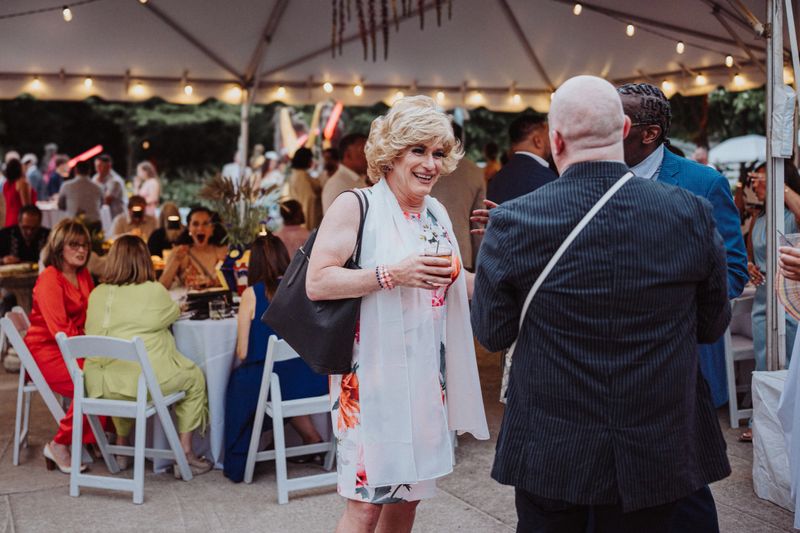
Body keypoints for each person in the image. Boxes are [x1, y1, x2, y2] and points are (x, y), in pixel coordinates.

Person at [471, 75, 731, 533]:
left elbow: (492, 332)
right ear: (625, 129)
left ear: (554, 139)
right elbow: (711, 324)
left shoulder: (512, 221)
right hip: (660, 439)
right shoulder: (689, 211)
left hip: (553, 444)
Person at [307, 95, 488, 533]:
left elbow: (457, 280)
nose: (431, 164)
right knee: (366, 505)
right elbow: (319, 281)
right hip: (370, 381)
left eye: (438, 154)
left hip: (426, 378)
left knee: (407, 501)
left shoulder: (437, 214)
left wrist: (517, 275)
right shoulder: (357, 205)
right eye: (419, 151)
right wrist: (391, 274)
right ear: (392, 153)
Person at [617, 83, 748, 533]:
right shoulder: (596, 173)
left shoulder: (701, 182)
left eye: (619, 120)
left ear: (649, 133)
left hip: (677, 356)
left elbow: (733, 270)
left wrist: (670, 311)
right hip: (611, 361)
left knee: (682, 481)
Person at [84, 235, 212, 475]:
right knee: (194, 377)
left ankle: (122, 449)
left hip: (97, 385)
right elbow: (172, 313)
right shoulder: (153, 291)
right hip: (138, 386)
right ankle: (185, 453)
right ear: (144, 260)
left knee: (121, 373)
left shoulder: (97, 293)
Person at [224, 234, 327, 482]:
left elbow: (243, 352)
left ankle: (239, 460)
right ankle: (313, 440)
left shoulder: (252, 293)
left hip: (274, 383)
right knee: (286, 374)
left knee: (236, 384)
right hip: (312, 380)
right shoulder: (303, 286)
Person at [26, 219, 102, 473]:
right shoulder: (50, 278)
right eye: (74, 245)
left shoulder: (83, 274)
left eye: (84, 245)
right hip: (46, 350)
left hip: (74, 345)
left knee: (110, 371)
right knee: (93, 382)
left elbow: (92, 314)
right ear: (59, 247)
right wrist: (92, 351)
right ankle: (59, 444)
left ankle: (92, 438)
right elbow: (59, 329)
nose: (82, 251)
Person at [738, 162, 800, 442]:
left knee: (791, 367)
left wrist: (777, 182)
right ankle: (762, 420)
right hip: (763, 304)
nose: (755, 185)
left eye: (759, 179)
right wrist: (751, 265)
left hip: (791, 300)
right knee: (764, 363)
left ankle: (790, 423)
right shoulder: (759, 219)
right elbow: (751, 253)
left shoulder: (791, 215)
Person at [430, 123, 486, 271]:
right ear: (461, 140)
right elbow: (477, 223)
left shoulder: (424, 166)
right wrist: (480, 262)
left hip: (425, 252)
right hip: (462, 253)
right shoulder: (475, 172)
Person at [486, 114, 557, 204]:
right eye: (549, 136)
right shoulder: (546, 179)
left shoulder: (497, 178)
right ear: (538, 141)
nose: (552, 141)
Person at [159, 206, 227, 290]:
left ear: (212, 229)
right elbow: (162, 287)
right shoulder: (180, 252)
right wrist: (175, 260)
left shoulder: (223, 251)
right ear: (189, 229)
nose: (200, 228)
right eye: (195, 224)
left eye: (205, 224)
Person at [321, 133, 369, 214]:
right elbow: (334, 223)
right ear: (348, 155)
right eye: (364, 150)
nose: (369, 155)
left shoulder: (359, 179)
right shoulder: (336, 184)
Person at [58, 160, 103, 224]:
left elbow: (61, 206)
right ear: (89, 171)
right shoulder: (98, 187)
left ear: (75, 171)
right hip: (94, 224)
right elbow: (101, 205)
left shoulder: (66, 186)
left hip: (73, 224)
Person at [288, 147, 322, 231]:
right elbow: (308, 200)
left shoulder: (299, 174)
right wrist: (307, 228)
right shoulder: (300, 176)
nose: (312, 161)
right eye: (310, 158)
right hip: (306, 222)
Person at [3, 158, 36, 228]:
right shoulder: (21, 183)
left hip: (8, 218)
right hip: (20, 220)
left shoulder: (6, 184)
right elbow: (26, 206)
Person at [93, 154, 127, 219]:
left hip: (116, 216)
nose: (97, 169)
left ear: (108, 166)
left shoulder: (115, 180)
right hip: (104, 215)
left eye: (100, 166)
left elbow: (106, 201)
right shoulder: (95, 177)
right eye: (96, 166)